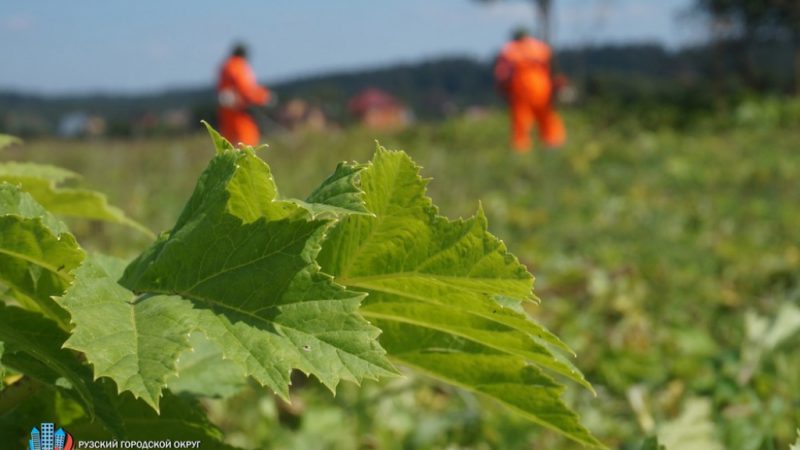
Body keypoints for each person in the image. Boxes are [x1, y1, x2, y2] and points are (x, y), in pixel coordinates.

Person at [494, 28, 566, 153]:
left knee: (521, 120)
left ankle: (521, 150)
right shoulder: (541, 47)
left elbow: (503, 74)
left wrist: (502, 89)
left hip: (520, 88)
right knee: (546, 116)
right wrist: (557, 85)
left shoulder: (509, 49)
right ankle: (553, 147)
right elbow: (553, 68)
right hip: (542, 86)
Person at [217, 43, 271, 146]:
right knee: (247, 146)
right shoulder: (239, 65)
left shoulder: (225, 66)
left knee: (229, 146)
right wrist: (264, 97)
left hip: (225, 114)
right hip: (239, 114)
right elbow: (246, 90)